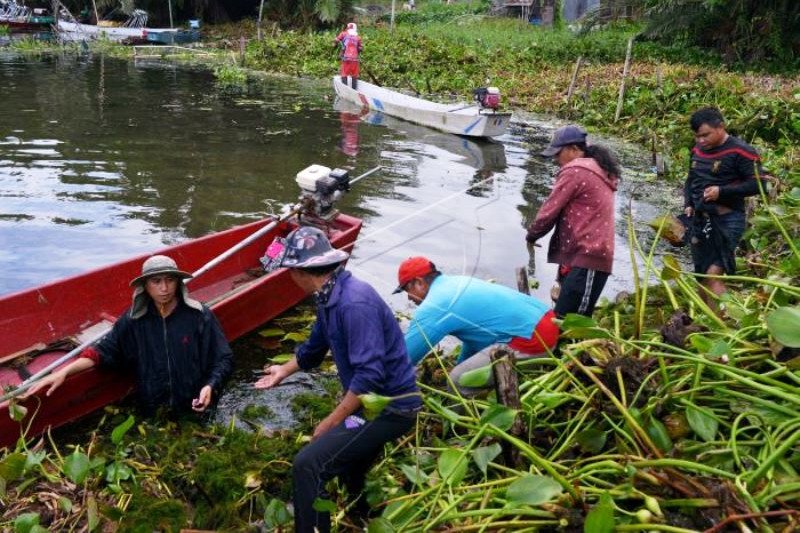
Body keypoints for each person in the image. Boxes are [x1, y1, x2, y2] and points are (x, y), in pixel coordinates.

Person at [254, 226, 420, 533]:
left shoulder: (353, 303)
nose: (289, 277)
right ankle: (361, 515)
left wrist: (331, 420)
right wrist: (283, 370)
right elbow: (315, 346)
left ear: (303, 271)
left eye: (290, 270)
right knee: (348, 460)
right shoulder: (329, 294)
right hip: (368, 408)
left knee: (309, 464)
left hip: (389, 410)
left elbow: (370, 376)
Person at [24, 255, 233, 415]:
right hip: (152, 407)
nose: (164, 288)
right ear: (145, 287)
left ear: (178, 282)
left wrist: (210, 386)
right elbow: (102, 352)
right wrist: (63, 372)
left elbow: (223, 358)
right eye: (156, 281)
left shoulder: (198, 315)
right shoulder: (134, 320)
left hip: (195, 403)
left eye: (170, 280)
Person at [395, 256, 559, 396]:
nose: (409, 298)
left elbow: (404, 358)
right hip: (548, 321)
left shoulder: (434, 306)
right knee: (462, 370)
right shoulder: (456, 282)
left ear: (419, 282)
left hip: (534, 341)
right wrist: (462, 363)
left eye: (407, 290)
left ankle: (456, 425)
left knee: (457, 381)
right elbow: (474, 336)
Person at [526, 124, 620, 318]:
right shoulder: (596, 168)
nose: (556, 159)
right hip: (582, 256)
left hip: (588, 257)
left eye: (558, 153)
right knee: (565, 319)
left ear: (574, 149)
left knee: (569, 323)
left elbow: (549, 211)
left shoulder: (576, 169)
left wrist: (532, 235)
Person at [683, 107, 766, 303]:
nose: (701, 141)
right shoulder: (697, 150)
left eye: (705, 135)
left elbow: (759, 184)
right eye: (697, 136)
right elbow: (691, 180)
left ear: (721, 127)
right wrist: (688, 203)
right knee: (701, 276)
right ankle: (708, 324)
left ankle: (722, 323)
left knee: (713, 274)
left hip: (727, 220)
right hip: (700, 220)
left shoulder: (742, 151)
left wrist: (722, 191)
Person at [334, 22, 363, 89]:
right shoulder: (358, 37)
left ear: (347, 28)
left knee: (344, 74)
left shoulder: (343, 34)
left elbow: (336, 40)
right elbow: (360, 48)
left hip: (346, 58)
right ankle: (354, 90)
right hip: (355, 59)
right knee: (354, 75)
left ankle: (345, 89)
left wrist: (335, 45)